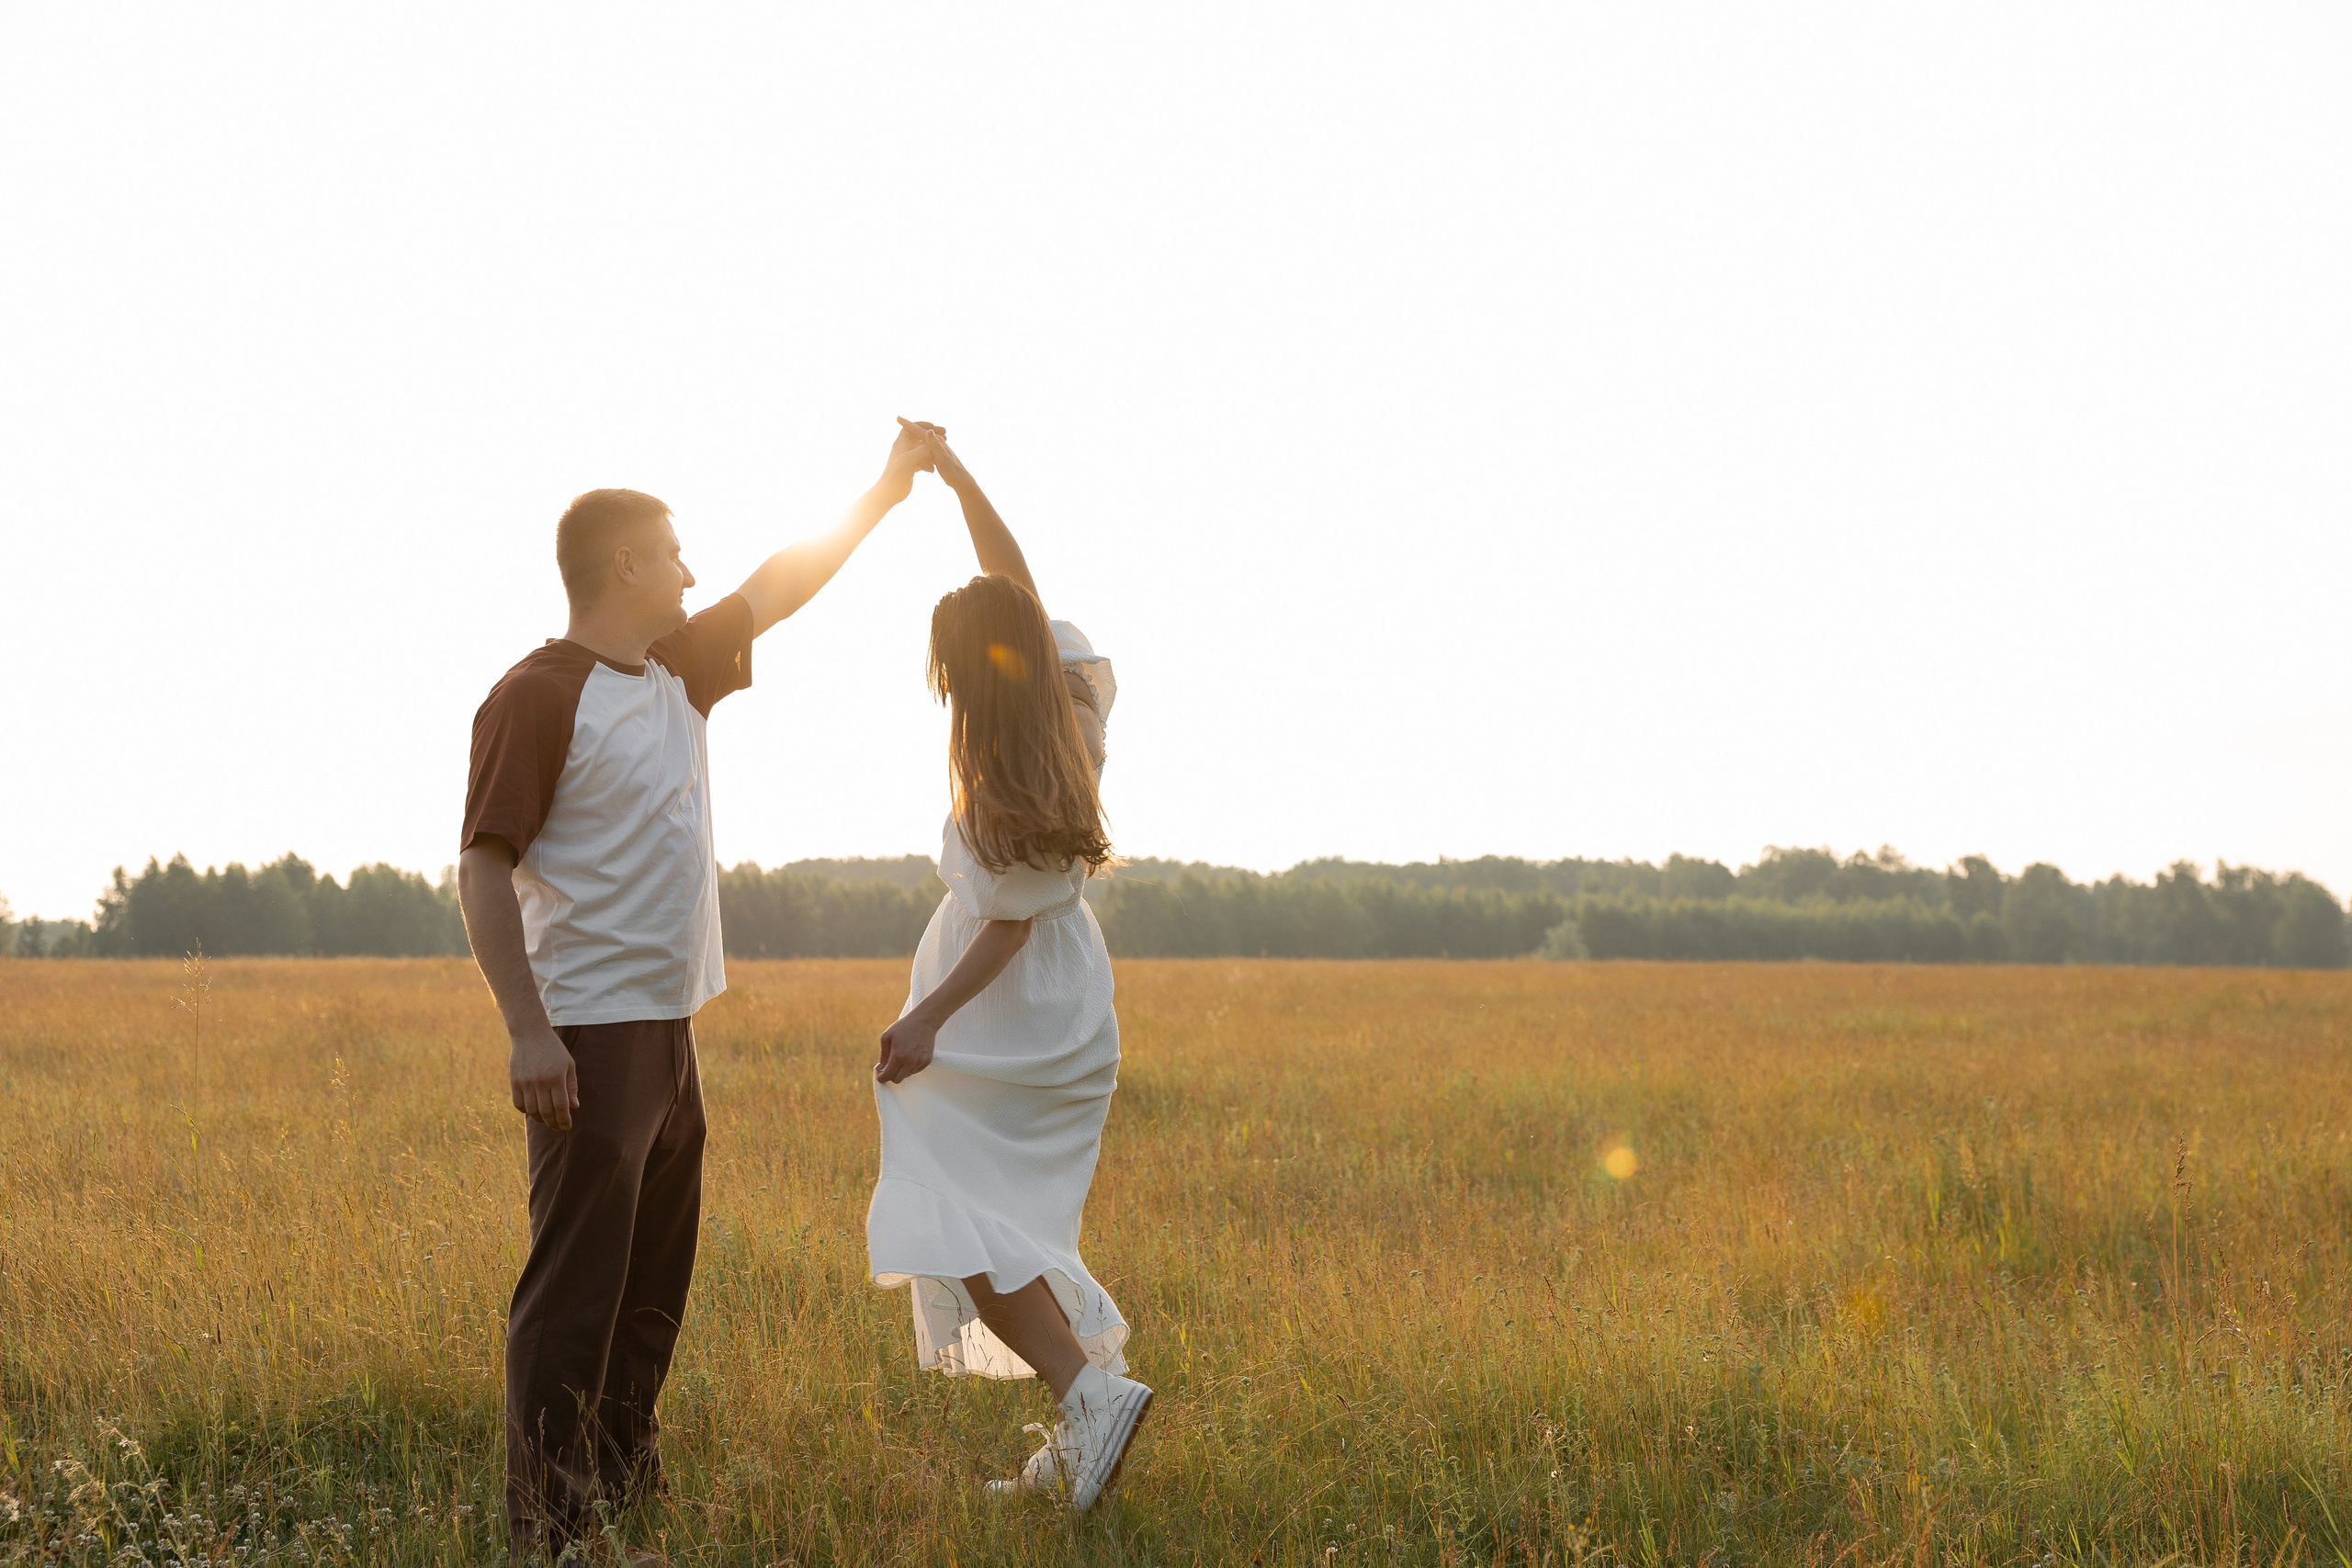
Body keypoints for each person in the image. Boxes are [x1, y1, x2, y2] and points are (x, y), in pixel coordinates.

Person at [457, 423, 933, 1562]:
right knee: (574, 1291)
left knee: (652, 1288)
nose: (690, 570)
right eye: (673, 553)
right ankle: (551, 1529)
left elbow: (783, 583)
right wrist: (528, 1031)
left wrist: (885, 488)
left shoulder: (675, 669)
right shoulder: (536, 694)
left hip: (670, 1033)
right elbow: (481, 863)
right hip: (586, 1034)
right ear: (623, 565)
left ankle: (622, 1488)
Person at [865, 424, 1152, 1511]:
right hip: (1055, 1009)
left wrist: (925, 1020)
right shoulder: (1070, 708)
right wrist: (953, 474)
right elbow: (1010, 575)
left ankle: (1088, 1392)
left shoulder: (1000, 771)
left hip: (1000, 1011)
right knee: (989, 1221)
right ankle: (1078, 1422)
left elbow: (1005, 929)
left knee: (949, 1214)